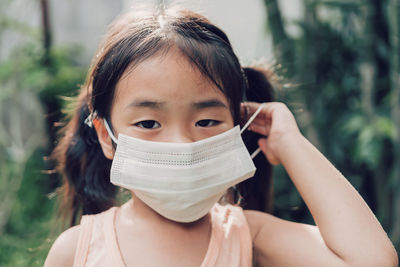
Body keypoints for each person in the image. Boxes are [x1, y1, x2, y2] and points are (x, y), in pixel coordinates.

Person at [44, 6, 398, 267]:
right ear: (107, 136)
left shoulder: (249, 237)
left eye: (207, 121)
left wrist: (291, 142)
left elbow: (373, 263)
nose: (182, 144)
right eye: (149, 123)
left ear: (238, 127)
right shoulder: (77, 251)